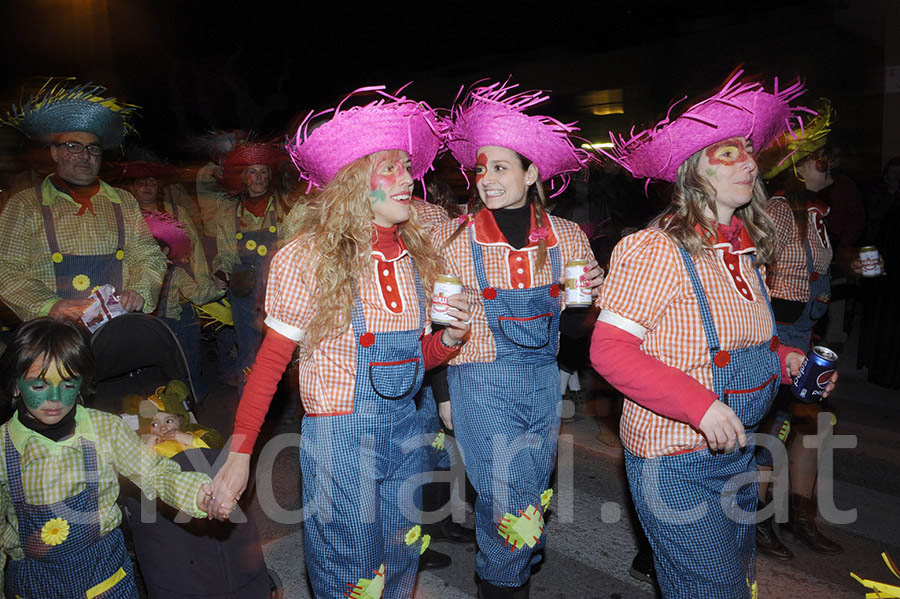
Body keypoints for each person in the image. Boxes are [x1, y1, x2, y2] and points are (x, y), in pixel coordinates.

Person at [208, 86, 472, 598]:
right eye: (390, 168)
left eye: (406, 167)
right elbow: (269, 363)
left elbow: (408, 361)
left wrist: (448, 342)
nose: (407, 179)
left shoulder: (417, 257)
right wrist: (241, 452)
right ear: (354, 183)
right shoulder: (307, 257)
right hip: (341, 439)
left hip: (407, 430)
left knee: (401, 557)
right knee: (349, 572)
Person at [590, 70, 838, 599]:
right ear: (693, 171)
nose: (748, 162)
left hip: (738, 447)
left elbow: (753, 340)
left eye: (748, 151)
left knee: (732, 579)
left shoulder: (743, 248)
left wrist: (786, 361)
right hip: (675, 457)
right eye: (728, 153)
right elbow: (608, 350)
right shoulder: (654, 249)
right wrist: (699, 405)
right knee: (711, 589)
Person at [433, 81, 603, 599]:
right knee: (509, 503)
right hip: (478, 382)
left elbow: (575, 332)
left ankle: (504, 580)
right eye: (481, 169)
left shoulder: (567, 237)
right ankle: (505, 586)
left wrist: (585, 305)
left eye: (501, 168)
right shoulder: (454, 238)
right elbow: (435, 326)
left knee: (529, 499)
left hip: (542, 382)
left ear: (531, 174)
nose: (486, 180)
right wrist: (442, 395)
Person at [0, 317, 215, 598]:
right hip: (34, 586)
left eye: (67, 385)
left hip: (105, 580)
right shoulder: (3, 448)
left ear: (81, 383)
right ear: (16, 386)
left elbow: (156, 472)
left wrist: (198, 493)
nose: (55, 399)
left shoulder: (105, 428)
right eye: (39, 386)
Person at [0, 79, 167, 323]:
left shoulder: (123, 201)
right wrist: (51, 305)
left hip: (114, 331)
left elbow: (148, 256)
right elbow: (6, 268)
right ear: (54, 152)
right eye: (73, 146)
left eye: (92, 148)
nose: (85, 156)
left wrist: (139, 291)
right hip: (53, 334)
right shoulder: (24, 204)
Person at [754, 99, 842, 558]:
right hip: (778, 337)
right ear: (798, 168)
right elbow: (754, 272)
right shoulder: (780, 211)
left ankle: (798, 516)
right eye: (820, 160)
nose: (829, 167)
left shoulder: (816, 216)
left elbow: (815, 278)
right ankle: (760, 520)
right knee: (776, 428)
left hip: (806, 335)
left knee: (813, 424)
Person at [119, 159, 221, 400]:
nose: (145, 185)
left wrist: (206, 286)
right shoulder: (126, 216)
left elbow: (196, 253)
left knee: (187, 360)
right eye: (139, 181)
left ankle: (194, 406)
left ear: (159, 185)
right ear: (132, 188)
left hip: (180, 298)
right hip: (141, 302)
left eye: (151, 180)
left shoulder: (177, 213)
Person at [211, 140, 291, 386]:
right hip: (243, 293)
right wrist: (220, 271)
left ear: (270, 176)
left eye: (263, 171)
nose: (258, 177)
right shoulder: (229, 214)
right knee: (248, 348)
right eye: (252, 172)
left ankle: (282, 407)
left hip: (278, 289)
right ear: (243, 178)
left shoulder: (284, 208)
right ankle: (248, 394)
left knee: (280, 346)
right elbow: (224, 254)